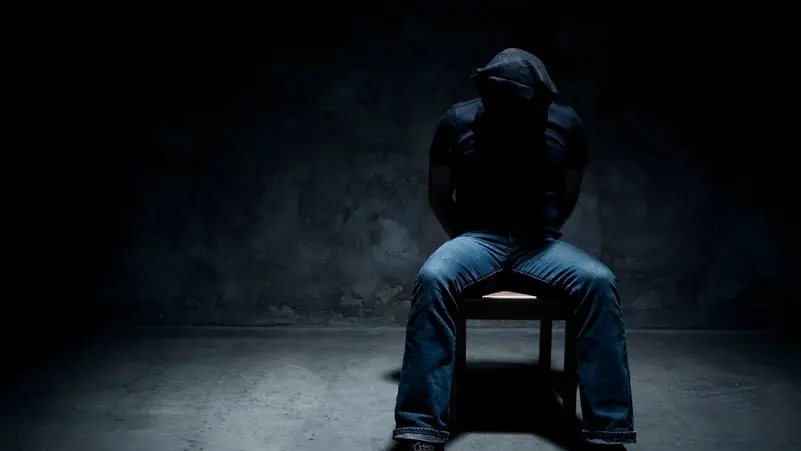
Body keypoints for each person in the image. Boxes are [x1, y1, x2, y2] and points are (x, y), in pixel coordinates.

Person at [391, 48, 636, 451]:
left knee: (599, 281)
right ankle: (420, 427)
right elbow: (439, 194)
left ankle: (609, 430)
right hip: (476, 240)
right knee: (434, 277)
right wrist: (465, 239)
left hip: (540, 243)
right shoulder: (457, 121)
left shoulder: (566, 123)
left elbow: (567, 195)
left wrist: (542, 233)